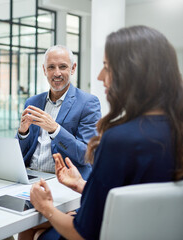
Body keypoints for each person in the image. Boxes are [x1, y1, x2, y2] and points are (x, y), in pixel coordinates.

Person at [21, 25, 183, 240]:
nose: (99, 76)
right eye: (51, 67)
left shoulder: (118, 139)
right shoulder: (174, 129)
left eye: (106, 66)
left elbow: (82, 233)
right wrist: (81, 185)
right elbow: (132, 194)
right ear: (44, 70)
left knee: (30, 230)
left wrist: (47, 207)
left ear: (132, 71)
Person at [17, 45, 101, 180]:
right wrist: (22, 133)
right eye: (51, 67)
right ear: (44, 70)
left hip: (64, 181)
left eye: (62, 67)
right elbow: (19, 152)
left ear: (73, 68)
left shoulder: (88, 103)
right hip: (30, 177)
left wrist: (55, 130)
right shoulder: (32, 102)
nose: (57, 73)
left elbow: (87, 155)